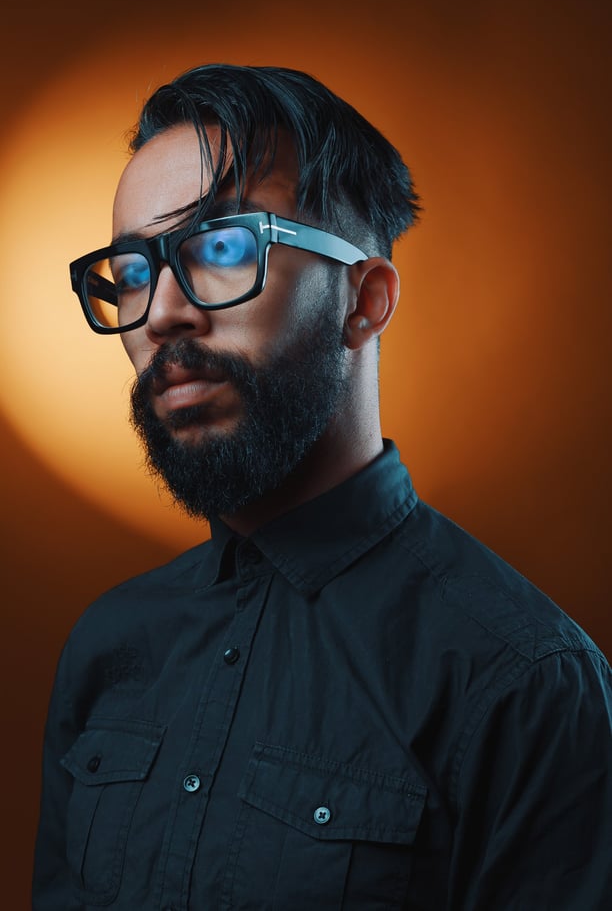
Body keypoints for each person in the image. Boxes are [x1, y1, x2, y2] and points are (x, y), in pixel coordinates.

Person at [33, 63, 611, 910]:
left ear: (365, 300)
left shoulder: (526, 685)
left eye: (223, 247)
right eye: (130, 272)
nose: (159, 314)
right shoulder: (106, 647)